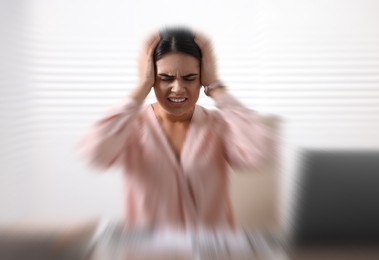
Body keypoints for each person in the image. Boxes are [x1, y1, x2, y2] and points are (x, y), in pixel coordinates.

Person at [78, 27, 274, 230]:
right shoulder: (131, 126)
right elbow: (95, 153)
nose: (178, 88)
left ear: (201, 79)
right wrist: (141, 87)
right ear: (153, 78)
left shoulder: (217, 125)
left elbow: (261, 152)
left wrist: (216, 86)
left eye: (189, 78)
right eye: (165, 78)